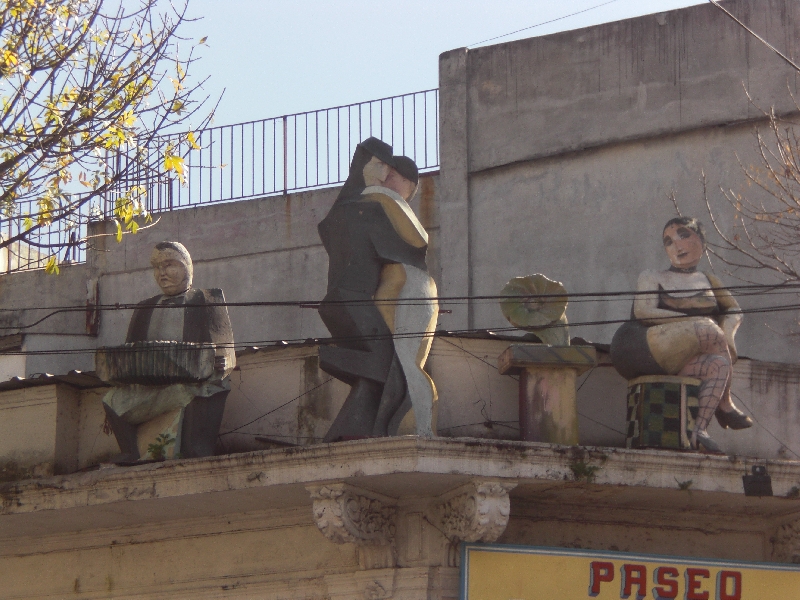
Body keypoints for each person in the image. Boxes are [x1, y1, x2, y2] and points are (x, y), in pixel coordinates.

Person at [317, 137, 438, 441]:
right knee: (391, 360)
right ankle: (385, 421)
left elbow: (419, 239)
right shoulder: (374, 205)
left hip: (410, 289)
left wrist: (375, 189)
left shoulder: (387, 202)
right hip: (391, 291)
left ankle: (420, 427)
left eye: (390, 173)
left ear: (402, 181)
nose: (384, 176)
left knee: (406, 362)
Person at [610, 217, 752, 452]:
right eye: (668, 241)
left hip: (678, 360)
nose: (676, 245)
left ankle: (699, 431)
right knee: (707, 328)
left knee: (718, 365)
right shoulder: (652, 275)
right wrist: (697, 322)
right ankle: (725, 405)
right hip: (640, 346)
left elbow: (734, 309)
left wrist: (726, 335)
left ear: (701, 240)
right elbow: (643, 311)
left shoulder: (709, 280)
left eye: (683, 235)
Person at [100, 241, 235, 460]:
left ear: (186, 267)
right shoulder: (144, 308)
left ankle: (192, 449)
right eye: (157, 267)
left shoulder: (207, 299)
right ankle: (130, 453)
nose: (161, 273)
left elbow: (226, 350)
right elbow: (129, 353)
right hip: (151, 388)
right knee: (113, 400)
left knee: (199, 392)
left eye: (169, 265)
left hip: (192, 384)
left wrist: (222, 361)